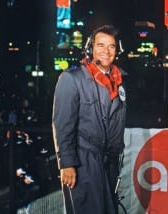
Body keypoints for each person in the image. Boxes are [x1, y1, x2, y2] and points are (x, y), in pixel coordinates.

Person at [52, 24, 127, 214]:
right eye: (101, 45)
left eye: (111, 46)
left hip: (108, 163)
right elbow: (62, 124)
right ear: (90, 49)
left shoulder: (118, 81)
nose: (106, 51)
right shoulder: (72, 79)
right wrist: (67, 163)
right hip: (83, 162)